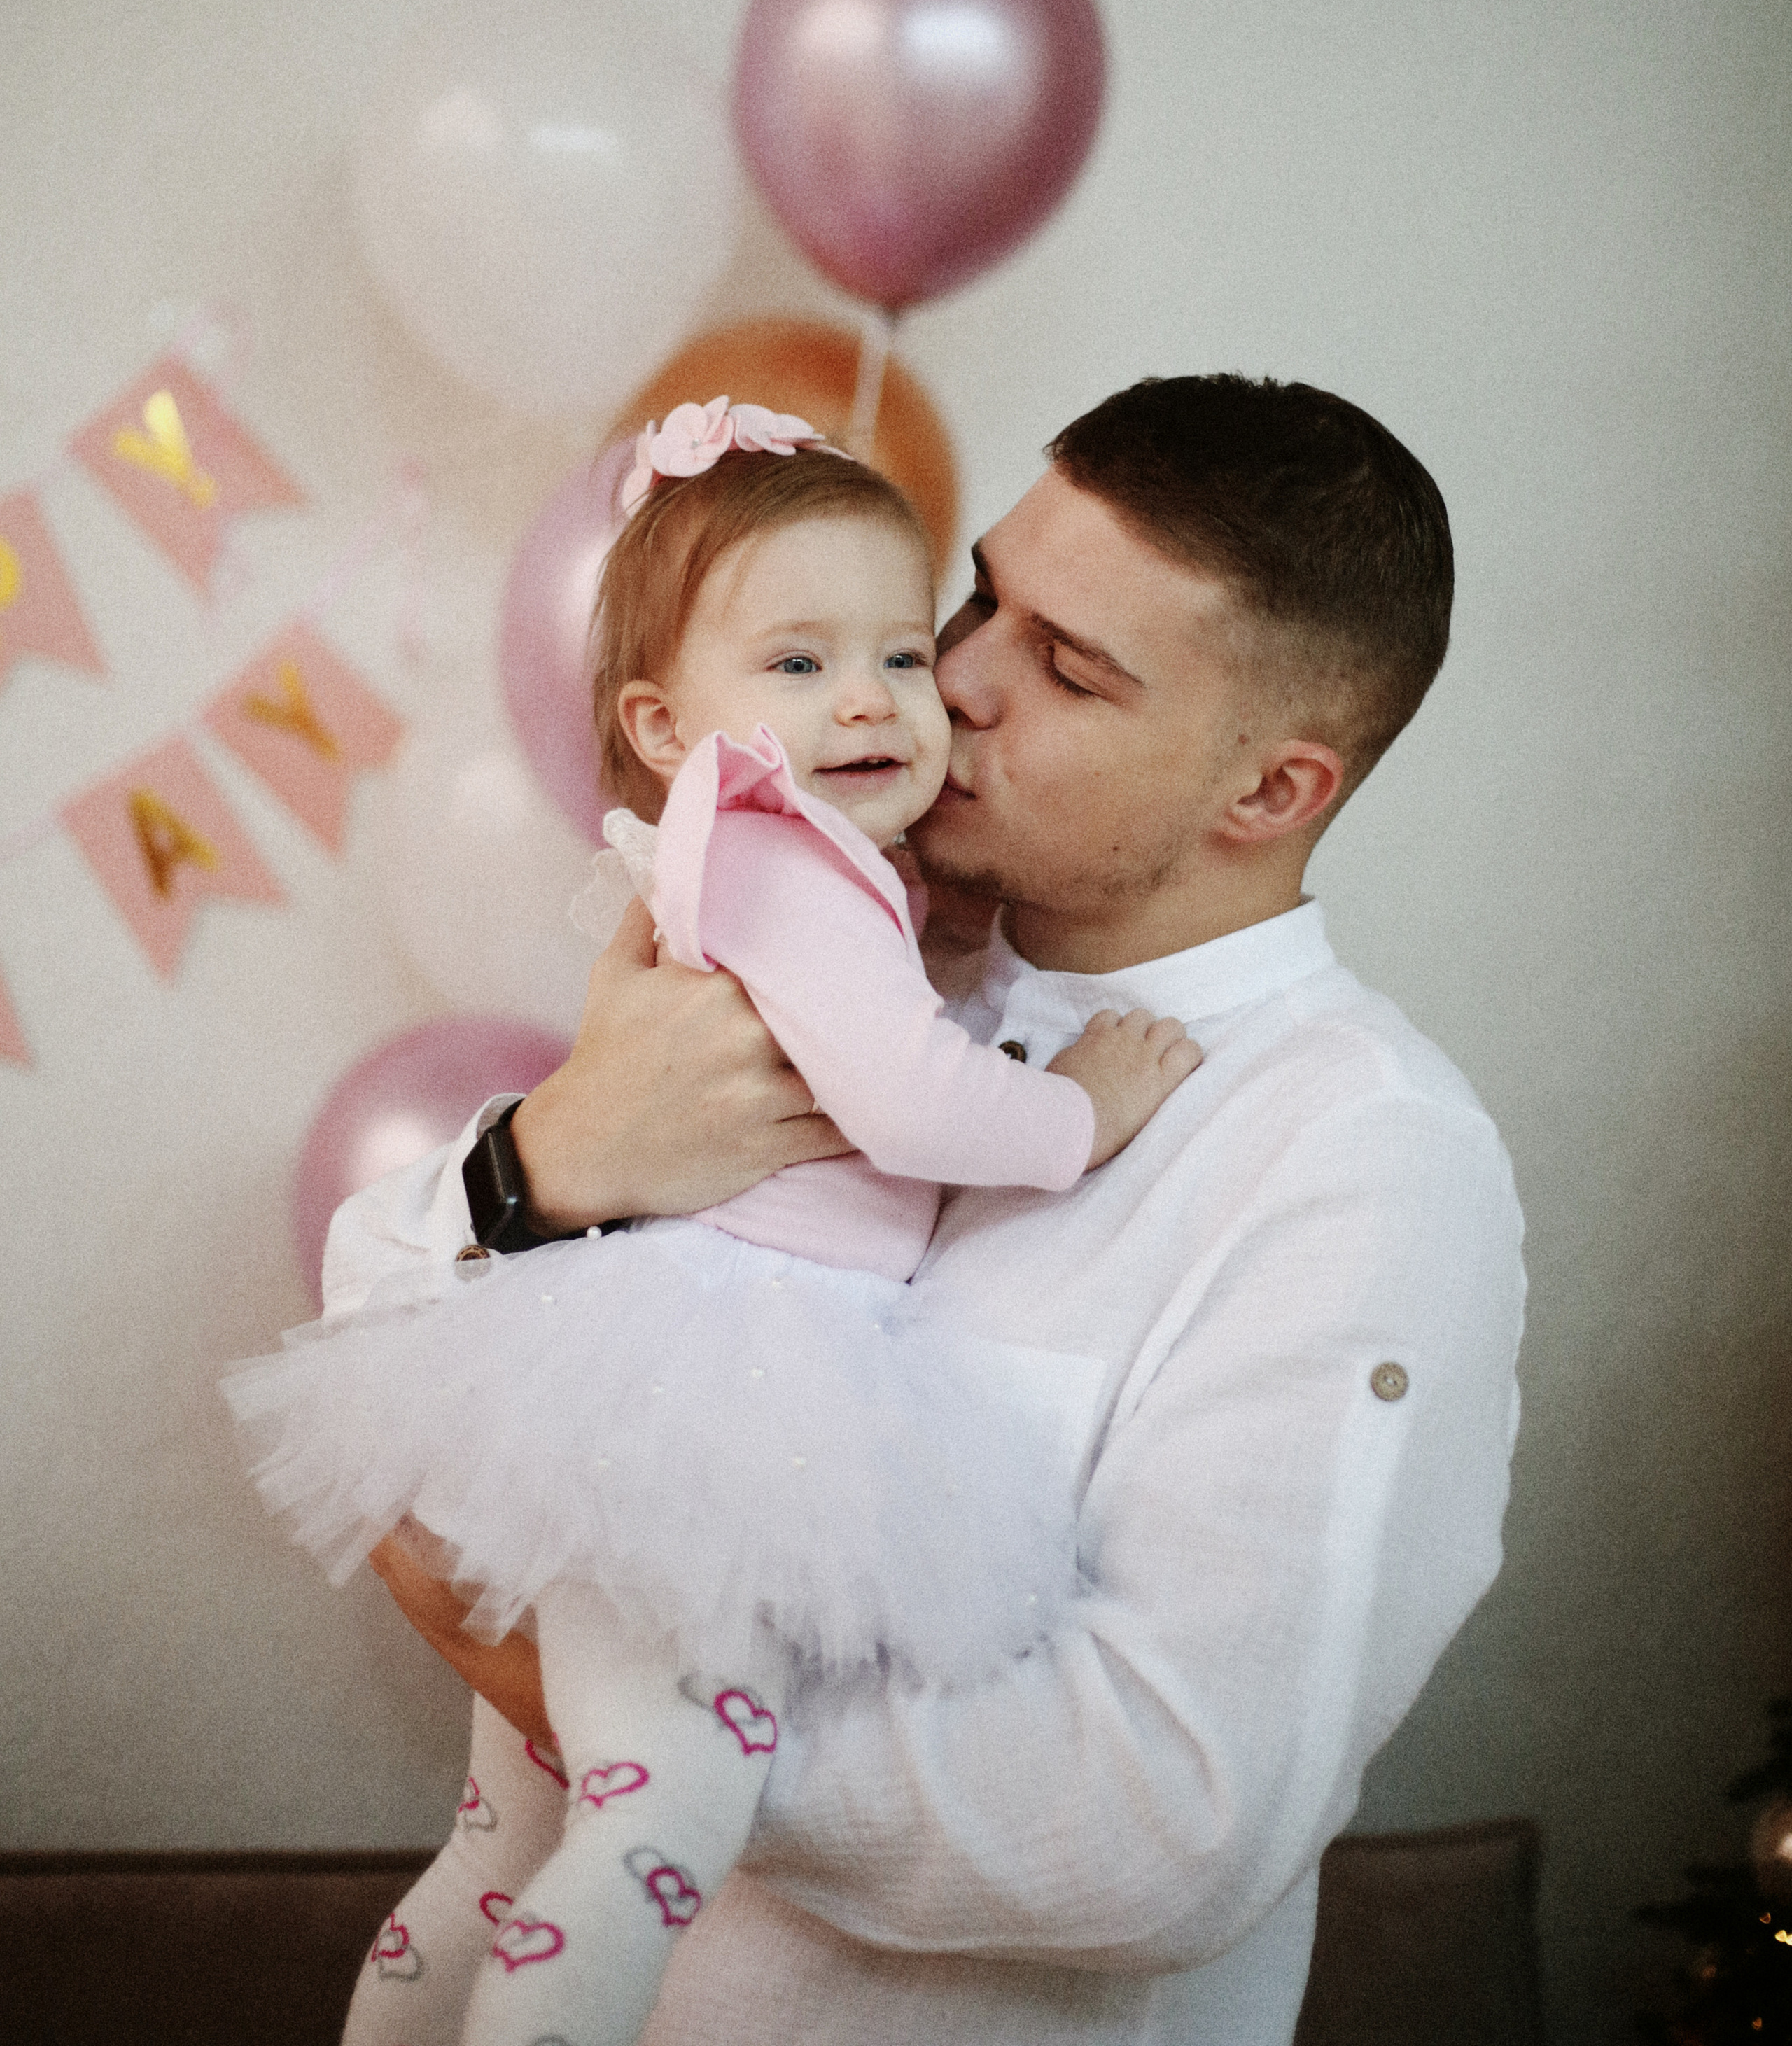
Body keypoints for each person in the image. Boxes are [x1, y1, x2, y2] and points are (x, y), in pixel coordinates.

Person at [354, 373, 1526, 2046]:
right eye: (978, 595)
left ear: (1267, 793)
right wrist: (545, 1165)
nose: (944, 680)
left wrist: (627, 1723)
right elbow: (368, 1324)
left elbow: (1163, 1826)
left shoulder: (1361, 1163)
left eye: (1064, 669)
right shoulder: (835, 944)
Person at [228, 400, 1197, 2046]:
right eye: (798, 665)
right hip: (721, 1384)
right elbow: (905, 1104)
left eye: (898, 652)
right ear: (667, 726)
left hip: (651, 1365)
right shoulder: (782, 860)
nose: (881, 700)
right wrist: (1083, 1106)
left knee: (511, 1830)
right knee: (664, 1810)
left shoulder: (796, 861)